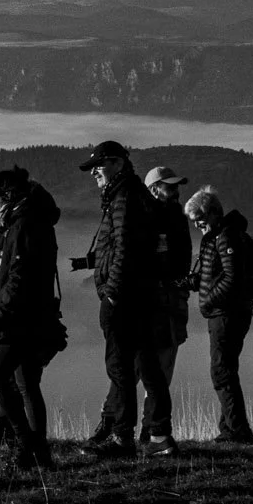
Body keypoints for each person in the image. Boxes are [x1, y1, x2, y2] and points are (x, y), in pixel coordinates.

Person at [72, 141, 176, 458]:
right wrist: (93, 263)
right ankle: (159, 437)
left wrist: (113, 294)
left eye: (98, 166)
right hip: (141, 293)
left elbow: (126, 249)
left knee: (119, 367)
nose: (94, 173)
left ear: (117, 164)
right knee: (146, 365)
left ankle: (122, 438)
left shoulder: (124, 198)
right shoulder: (127, 194)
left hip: (125, 296)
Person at [0, 165, 67, 470]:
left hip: (20, 316)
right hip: (38, 311)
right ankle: (39, 455)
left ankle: (27, 444)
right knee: (27, 382)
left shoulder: (24, 223)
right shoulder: (34, 216)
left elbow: (16, 275)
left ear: (8, 196)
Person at [185, 187, 253, 444]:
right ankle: (228, 429)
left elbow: (231, 278)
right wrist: (193, 282)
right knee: (225, 369)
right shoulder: (220, 236)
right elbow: (216, 274)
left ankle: (238, 431)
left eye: (201, 220)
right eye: (194, 222)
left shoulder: (225, 238)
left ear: (214, 214)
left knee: (222, 371)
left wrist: (207, 300)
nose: (198, 225)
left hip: (226, 313)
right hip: (228, 312)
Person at [143, 165, 193, 386]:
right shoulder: (144, 219)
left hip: (172, 301)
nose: (176, 192)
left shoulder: (177, 218)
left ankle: (152, 415)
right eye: (170, 187)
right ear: (154, 189)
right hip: (153, 302)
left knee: (164, 363)